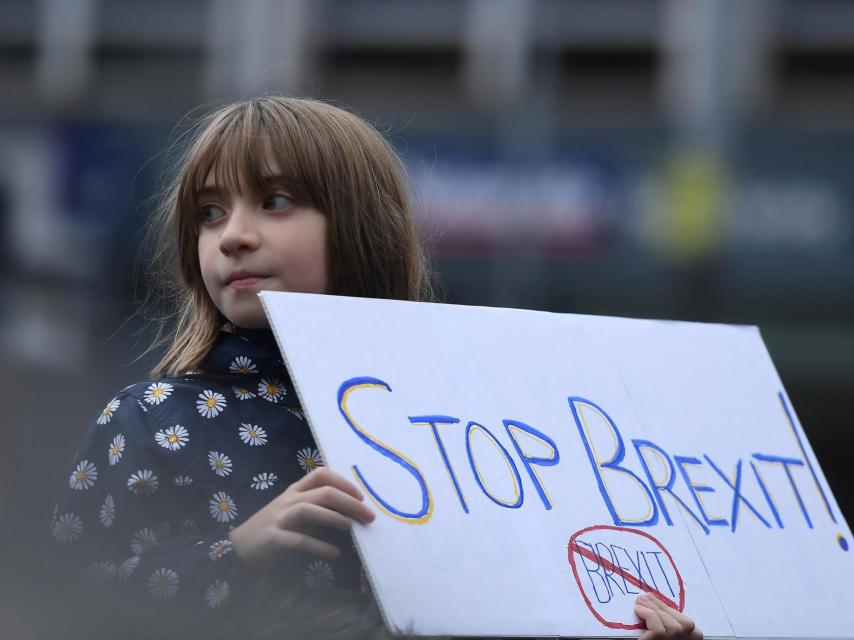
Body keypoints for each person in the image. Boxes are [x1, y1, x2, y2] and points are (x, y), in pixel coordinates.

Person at [49, 96, 702, 640]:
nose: (233, 235)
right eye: (210, 212)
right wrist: (238, 552)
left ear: (363, 229)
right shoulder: (151, 420)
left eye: (275, 202)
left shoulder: (464, 433)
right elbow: (62, 601)